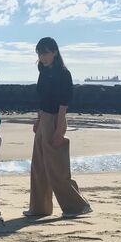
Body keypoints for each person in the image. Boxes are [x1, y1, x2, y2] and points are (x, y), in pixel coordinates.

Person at [25, 37, 92, 219]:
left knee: (57, 166)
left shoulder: (64, 73)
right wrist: (38, 120)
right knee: (38, 165)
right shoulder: (44, 72)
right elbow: (42, 99)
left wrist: (59, 129)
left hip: (56, 119)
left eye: (45, 53)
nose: (42, 57)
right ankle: (40, 208)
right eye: (39, 53)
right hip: (44, 119)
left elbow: (63, 105)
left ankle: (77, 206)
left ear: (55, 52)